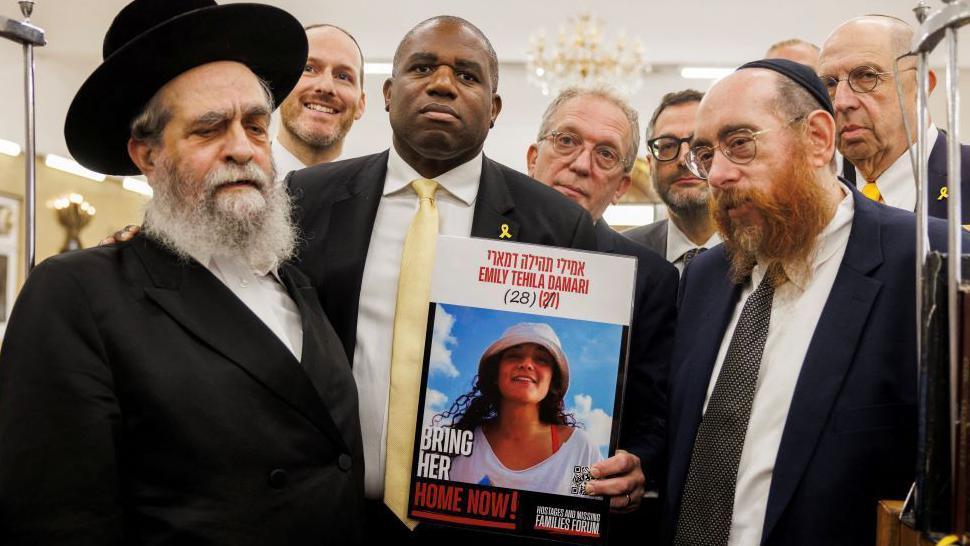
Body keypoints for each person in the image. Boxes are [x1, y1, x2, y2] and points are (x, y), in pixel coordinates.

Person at [0, 1, 364, 543]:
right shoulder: (77, 294)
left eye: (256, 127)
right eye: (209, 129)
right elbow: (56, 520)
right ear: (147, 156)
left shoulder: (296, 284)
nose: (242, 148)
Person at [287, 15, 639, 543]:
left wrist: (624, 466)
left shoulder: (557, 223)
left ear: (494, 110)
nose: (443, 84)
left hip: (489, 528)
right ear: (386, 93)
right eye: (422, 67)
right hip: (327, 518)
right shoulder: (305, 199)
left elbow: (597, 365)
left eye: (468, 76)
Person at [663, 58, 966, 546]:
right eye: (705, 154)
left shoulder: (932, 262)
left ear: (819, 139)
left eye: (740, 144)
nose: (717, 174)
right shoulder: (704, 275)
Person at [526, 85, 676, 490]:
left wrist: (637, 463)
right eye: (566, 140)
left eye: (605, 154)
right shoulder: (476, 246)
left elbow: (654, 416)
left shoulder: (650, 278)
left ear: (622, 186)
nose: (580, 164)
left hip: (588, 503)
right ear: (533, 158)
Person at [818, 15, 970, 221]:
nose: (841, 102)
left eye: (867, 76)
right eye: (830, 83)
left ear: (922, 84)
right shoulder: (810, 193)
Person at [444, 323, 602, 496]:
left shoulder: (579, 449)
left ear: (552, 382)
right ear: (496, 374)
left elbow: (586, 510)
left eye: (541, 359)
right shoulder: (460, 443)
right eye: (514, 356)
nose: (526, 364)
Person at [625, 89, 721, 273]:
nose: (684, 159)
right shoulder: (624, 256)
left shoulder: (760, 251)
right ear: (651, 164)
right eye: (668, 146)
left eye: (698, 144)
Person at [274, 23, 367, 176]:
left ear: (361, 104)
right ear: (281, 85)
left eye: (343, 76)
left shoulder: (379, 195)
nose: (326, 87)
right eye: (308, 69)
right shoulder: (230, 176)